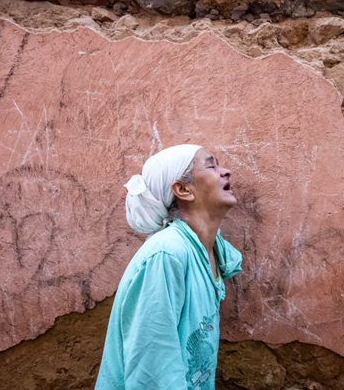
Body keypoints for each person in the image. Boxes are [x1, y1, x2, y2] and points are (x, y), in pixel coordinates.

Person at [95, 144, 243, 390]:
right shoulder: (167, 254)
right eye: (212, 165)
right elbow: (152, 368)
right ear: (183, 190)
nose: (225, 172)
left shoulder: (210, 250)